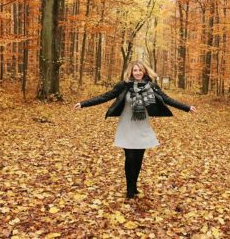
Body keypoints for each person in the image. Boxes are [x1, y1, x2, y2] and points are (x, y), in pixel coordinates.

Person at [74, 60, 196, 198]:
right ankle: (130, 189)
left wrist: (187, 107)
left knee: (138, 158)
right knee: (130, 156)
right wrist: (83, 104)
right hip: (126, 126)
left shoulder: (151, 86)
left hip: (142, 126)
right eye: (135, 70)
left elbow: (167, 99)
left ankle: (134, 186)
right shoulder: (124, 85)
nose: (137, 73)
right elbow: (105, 96)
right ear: (131, 72)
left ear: (144, 71)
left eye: (140, 70)